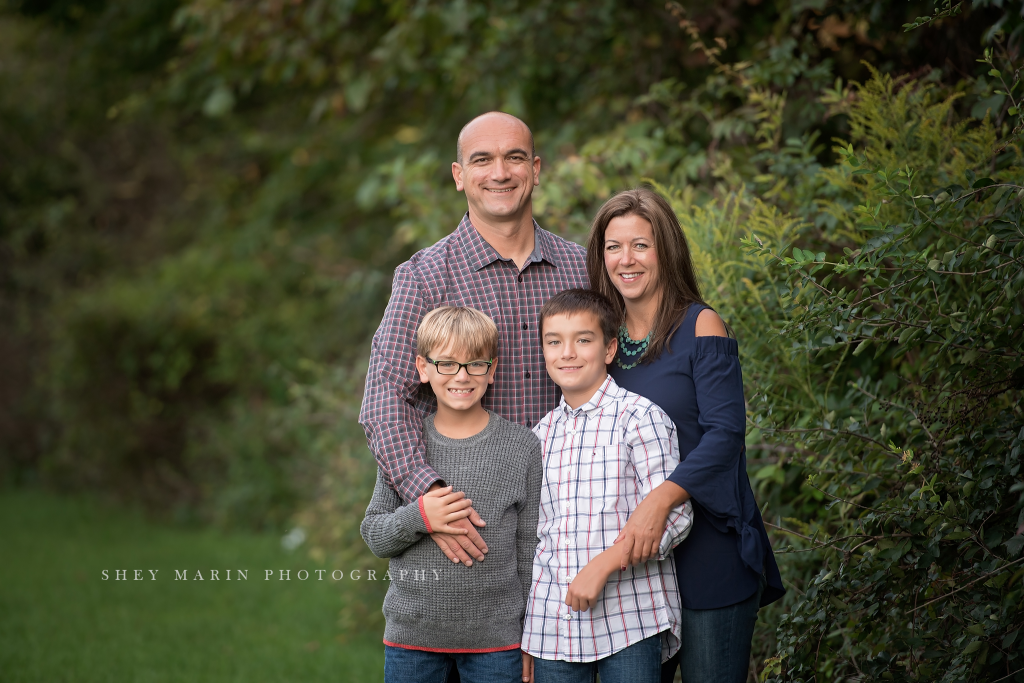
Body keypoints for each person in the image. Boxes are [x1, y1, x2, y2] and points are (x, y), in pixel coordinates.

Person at [359, 111, 588, 570]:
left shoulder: (581, 269)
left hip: (576, 516)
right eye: (482, 160)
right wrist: (433, 496)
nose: (500, 172)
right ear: (460, 177)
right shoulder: (425, 276)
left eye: (515, 158)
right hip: (473, 523)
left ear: (536, 170)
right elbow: (385, 398)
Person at [584, 188, 786, 683]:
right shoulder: (602, 343)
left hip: (708, 553)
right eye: (613, 247)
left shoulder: (702, 325)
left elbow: (726, 434)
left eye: (640, 245)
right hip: (635, 563)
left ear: (665, 250)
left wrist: (660, 500)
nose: (625, 260)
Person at [360, 306, 543, 683]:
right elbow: (375, 534)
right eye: (446, 364)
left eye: (475, 364)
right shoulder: (406, 446)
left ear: (492, 370)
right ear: (423, 369)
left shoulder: (522, 447)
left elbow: (530, 550)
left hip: (497, 643)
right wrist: (420, 516)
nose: (461, 376)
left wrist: (531, 635)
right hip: (413, 640)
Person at [521, 289, 693, 683]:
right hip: (554, 625)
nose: (568, 352)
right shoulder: (540, 436)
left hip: (629, 618)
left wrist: (603, 565)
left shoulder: (640, 419)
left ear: (609, 348)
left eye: (583, 339)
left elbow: (676, 516)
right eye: (554, 341)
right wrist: (531, 630)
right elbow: (537, 539)